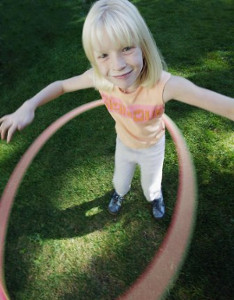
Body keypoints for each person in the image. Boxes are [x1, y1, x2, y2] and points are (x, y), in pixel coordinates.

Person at [0, 0, 233, 219]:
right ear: (94, 58)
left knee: (150, 185)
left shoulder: (165, 86)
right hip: (124, 143)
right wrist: (29, 104)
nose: (118, 65)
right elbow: (61, 86)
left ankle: (155, 198)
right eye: (103, 55)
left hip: (152, 146)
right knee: (120, 181)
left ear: (143, 45)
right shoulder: (101, 79)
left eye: (127, 48)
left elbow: (215, 102)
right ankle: (119, 194)